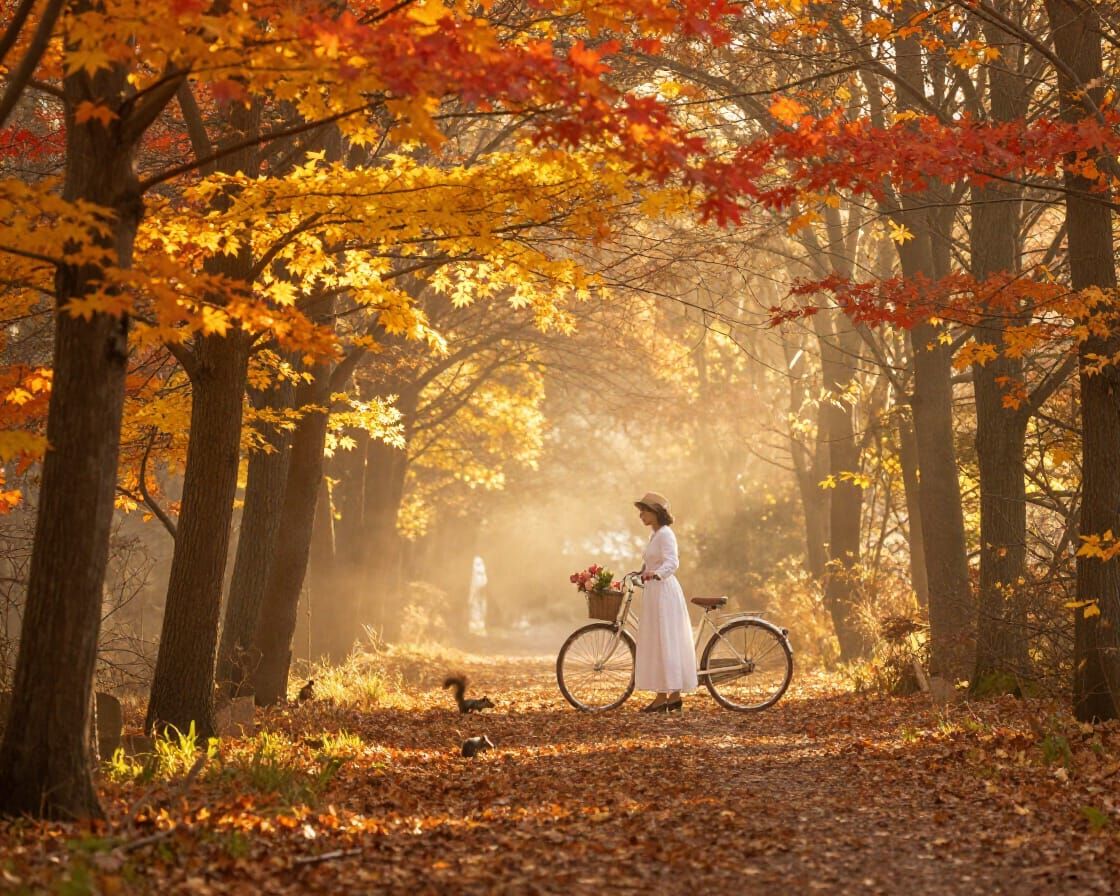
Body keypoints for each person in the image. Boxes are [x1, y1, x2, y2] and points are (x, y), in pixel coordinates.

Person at [633, 491, 697, 712]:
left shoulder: (666, 534)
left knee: (666, 640)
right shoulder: (656, 535)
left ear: (656, 512)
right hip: (654, 592)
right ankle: (666, 696)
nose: (641, 515)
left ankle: (670, 695)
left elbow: (672, 562)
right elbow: (654, 560)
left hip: (664, 592)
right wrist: (643, 572)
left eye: (644, 510)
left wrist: (657, 574)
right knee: (658, 641)